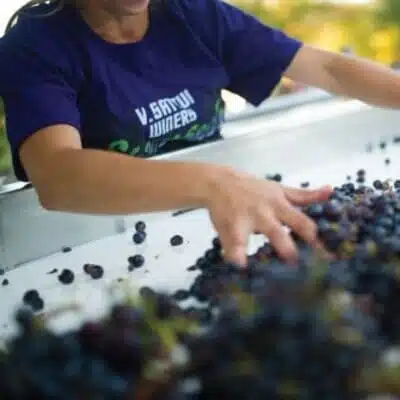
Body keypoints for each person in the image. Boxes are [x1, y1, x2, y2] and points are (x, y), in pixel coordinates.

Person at [0, 0, 400, 268]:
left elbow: (326, 68)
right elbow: (56, 174)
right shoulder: (34, 46)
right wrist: (213, 183)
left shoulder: (196, 15)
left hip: (215, 223)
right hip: (99, 245)